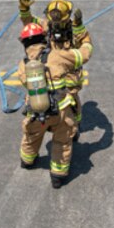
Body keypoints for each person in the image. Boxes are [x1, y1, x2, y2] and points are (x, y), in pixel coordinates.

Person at [15, 19, 93, 188]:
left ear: (24, 44)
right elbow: (83, 55)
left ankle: (27, 161)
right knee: (62, 142)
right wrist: (85, 40)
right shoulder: (57, 56)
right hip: (61, 112)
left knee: (31, 136)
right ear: (44, 38)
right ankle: (58, 176)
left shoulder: (22, 65)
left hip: (34, 111)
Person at [17, 0, 93, 137]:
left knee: (73, 102)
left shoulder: (73, 28)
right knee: (56, 100)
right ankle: (60, 125)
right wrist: (24, 10)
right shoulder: (48, 24)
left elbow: (82, 42)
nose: (56, 25)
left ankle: (73, 127)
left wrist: (79, 27)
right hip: (55, 69)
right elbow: (30, 22)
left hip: (70, 73)